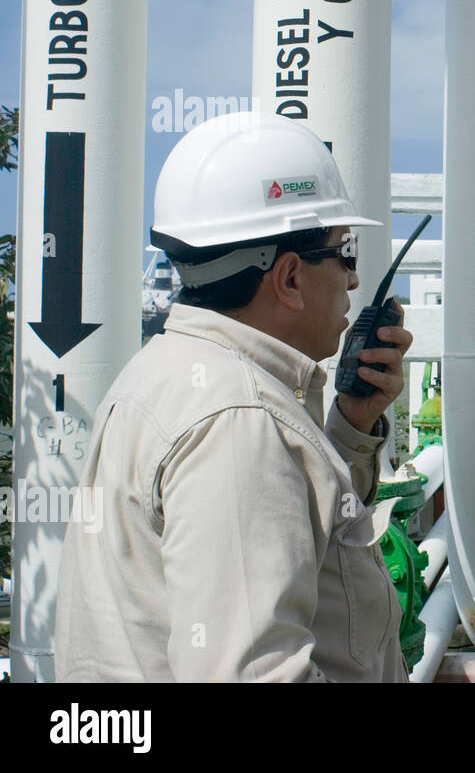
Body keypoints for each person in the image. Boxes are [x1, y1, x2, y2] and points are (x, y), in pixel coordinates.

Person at [55, 111, 412, 682]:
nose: (351, 279)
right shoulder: (237, 417)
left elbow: (283, 537)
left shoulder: (168, 374)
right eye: (345, 251)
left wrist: (348, 427)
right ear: (290, 277)